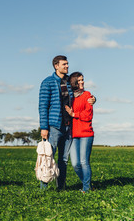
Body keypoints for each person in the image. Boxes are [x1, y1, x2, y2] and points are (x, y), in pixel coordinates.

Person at [38, 55, 95, 190]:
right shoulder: (48, 82)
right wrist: (44, 127)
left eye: (68, 64)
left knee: (63, 160)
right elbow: (42, 106)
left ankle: (61, 187)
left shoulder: (69, 82)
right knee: (48, 156)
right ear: (56, 66)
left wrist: (93, 99)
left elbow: (81, 93)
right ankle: (43, 188)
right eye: (64, 64)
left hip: (69, 127)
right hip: (54, 126)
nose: (67, 66)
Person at [65, 72, 94, 193]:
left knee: (83, 162)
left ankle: (86, 189)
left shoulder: (87, 95)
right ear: (73, 82)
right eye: (79, 80)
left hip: (86, 133)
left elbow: (88, 115)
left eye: (83, 80)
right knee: (75, 164)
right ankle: (87, 184)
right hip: (73, 134)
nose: (82, 82)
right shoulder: (70, 97)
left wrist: (74, 114)